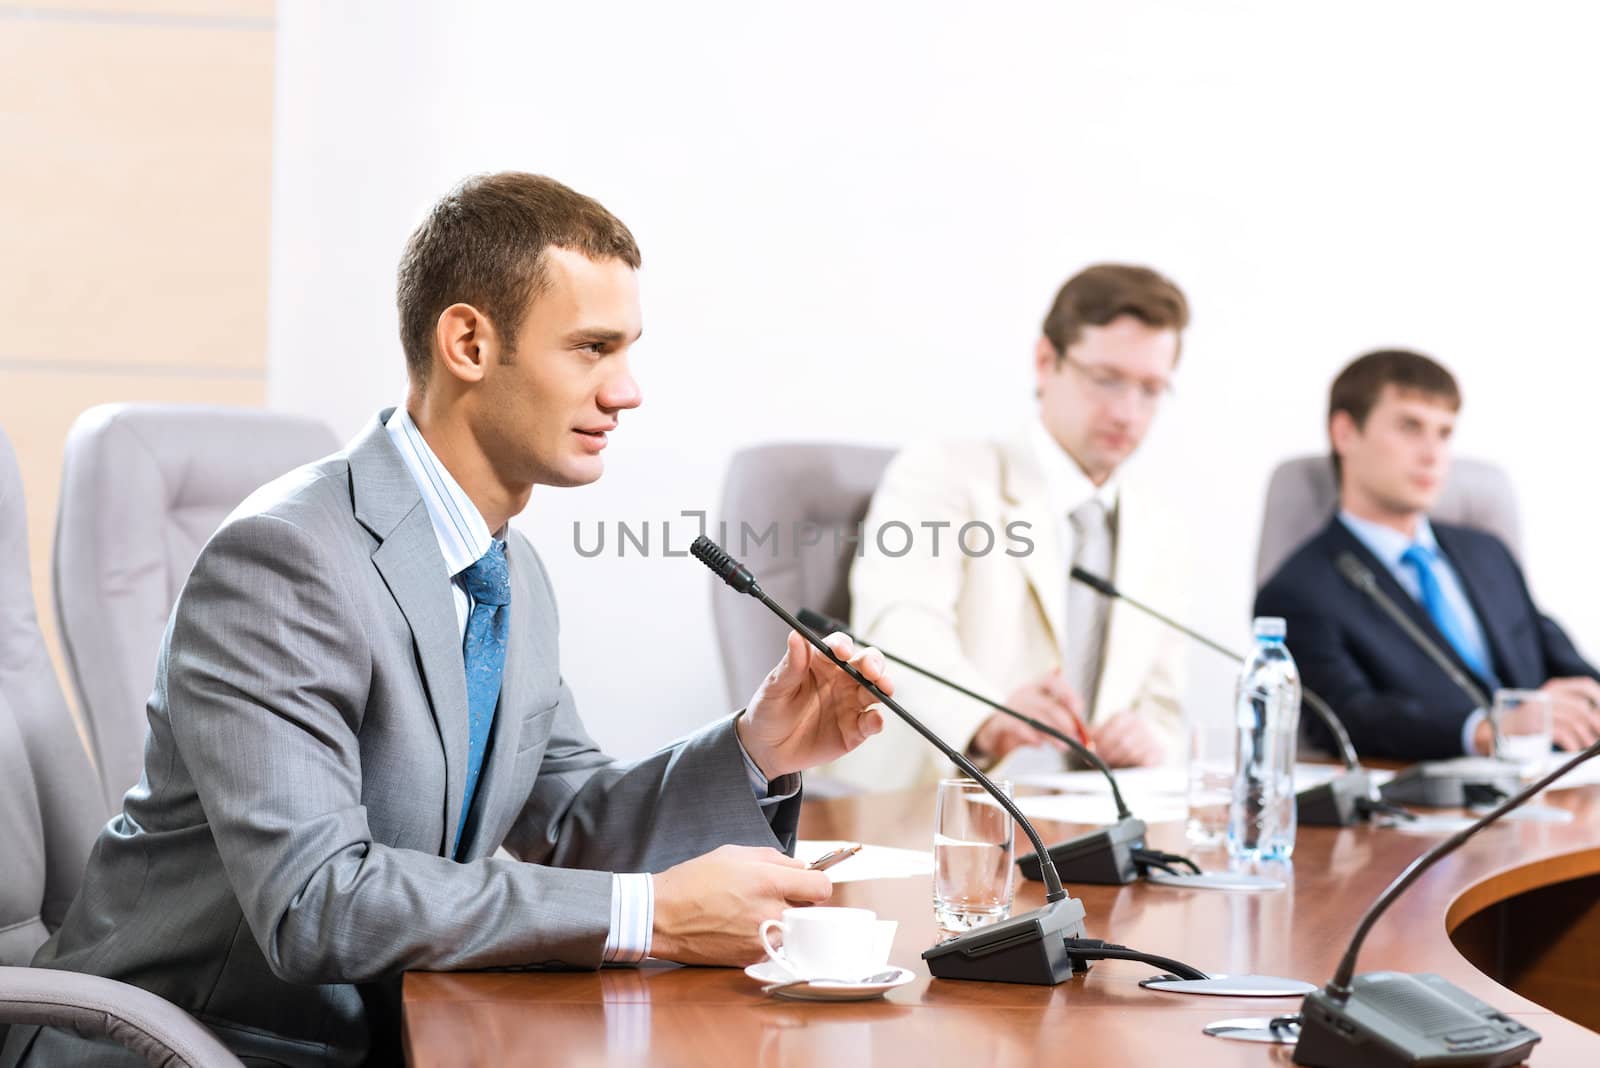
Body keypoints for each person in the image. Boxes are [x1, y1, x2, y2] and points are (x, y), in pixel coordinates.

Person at [1, 173, 890, 1067]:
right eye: (591, 348)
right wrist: (648, 912)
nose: (627, 392)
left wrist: (757, 748)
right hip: (193, 1047)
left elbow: (569, 818)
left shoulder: (509, 569)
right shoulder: (283, 560)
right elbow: (316, 899)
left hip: (383, 1031)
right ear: (467, 341)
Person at [825, 264, 1191, 792]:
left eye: (1151, 389)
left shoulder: (1161, 527)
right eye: (1107, 380)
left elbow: (1165, 708)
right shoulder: (944, 472)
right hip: (932, 807)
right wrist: (986, 717)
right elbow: (899, 625)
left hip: (1089, 821)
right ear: (1047, 362)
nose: (1127, 412)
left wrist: (1149, 740)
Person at [1255, 349, 1600, 761]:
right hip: (1432, 807)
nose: (1432, 454)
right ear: (1344, 433)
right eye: (1410, 426)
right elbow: (1346, 716)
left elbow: (1562, 660)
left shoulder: (1487, 552)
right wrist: (1488, 729)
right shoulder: (1299, 589)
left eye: (1444, 433)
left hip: (1557, 790)